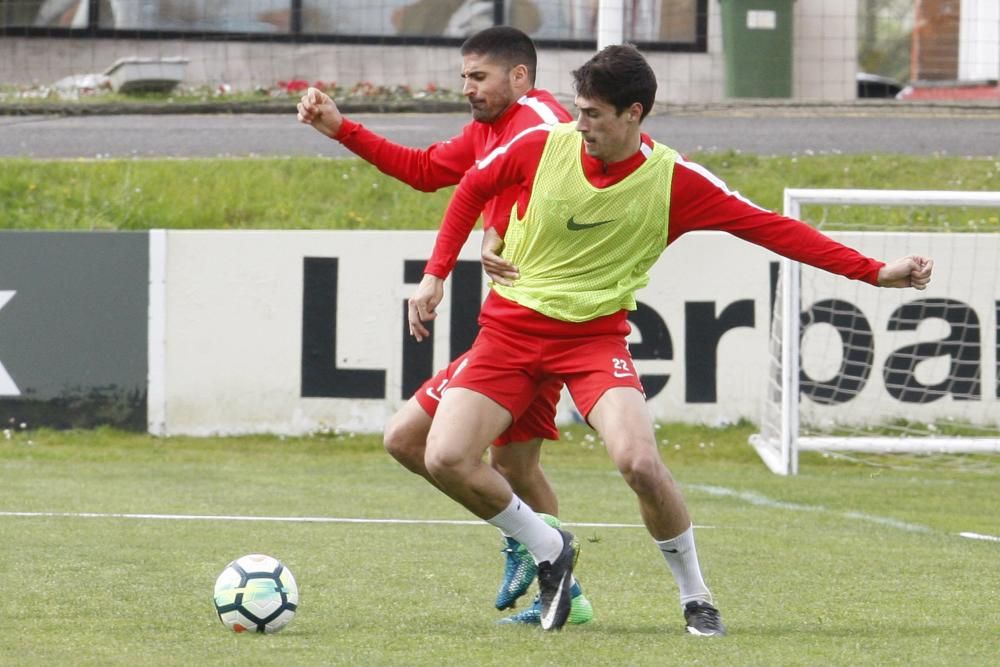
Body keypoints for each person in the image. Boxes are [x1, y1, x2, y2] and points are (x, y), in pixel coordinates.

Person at [406, 44, 934, 634]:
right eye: (577, 110)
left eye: (594, 115)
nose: (579, 125)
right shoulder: (541, 145)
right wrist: (435, 275)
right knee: (444, 457)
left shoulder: (674, 180)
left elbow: (774, 228)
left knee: (640, 462)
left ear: (634, 114)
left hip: (592, 342)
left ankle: (696, 596)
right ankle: (550, 549)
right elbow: (472, 188)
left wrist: (873, 270)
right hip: (509, 332)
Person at [295, 26, 594, 625]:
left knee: (451, 451)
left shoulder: (545, 120)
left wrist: (464, 251)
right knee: (489, 462)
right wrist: (341, 129)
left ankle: (545, 566)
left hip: (546, 326)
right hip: (512, 326)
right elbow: (430, 171)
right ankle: (563, 589)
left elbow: (543, 187)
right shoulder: (489, 128)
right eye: (464, 77)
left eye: (478, 77)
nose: (467, 89)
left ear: (519, 77)